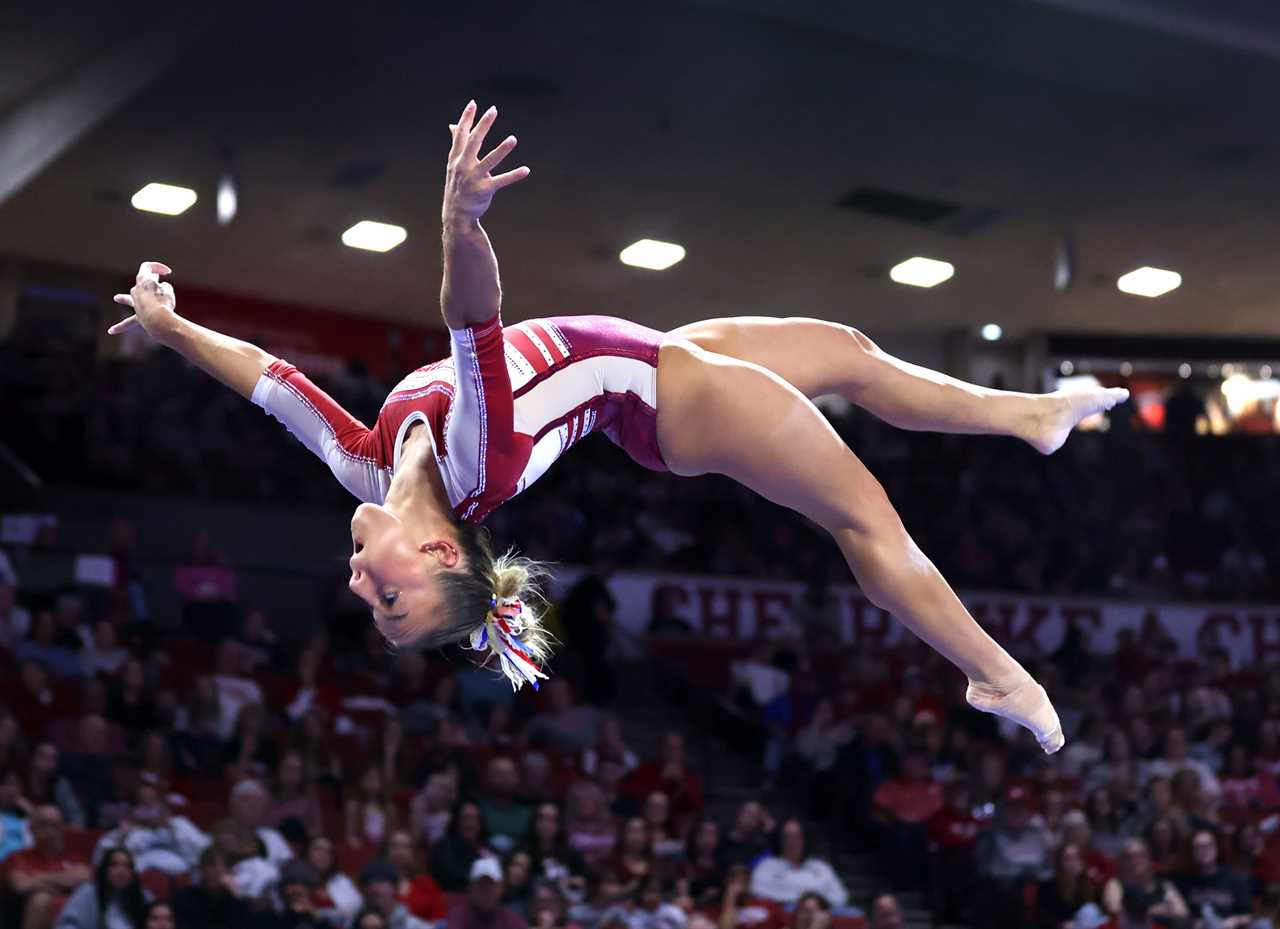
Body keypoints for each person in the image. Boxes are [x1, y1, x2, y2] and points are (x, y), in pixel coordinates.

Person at [107, 102, 1129, 748]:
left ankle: (1030, 415)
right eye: (392, 602)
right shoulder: (475, 454)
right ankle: (995, 673)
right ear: (435, 551)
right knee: (868, 523)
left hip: (651, 358)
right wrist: (458, 225)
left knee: (853, 353)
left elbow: (269, 379)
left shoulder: (364, 466)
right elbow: (473, 320)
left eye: (372, 605)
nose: (360, 588)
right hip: (668, 395)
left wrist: (170, 323)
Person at [5, 805, 92, 929]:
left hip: (73, 915)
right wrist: (65, 881)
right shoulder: (18, 857)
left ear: (63, 828)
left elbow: (85, 878)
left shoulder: (75, 857)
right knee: (41, 899)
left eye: (55, 825)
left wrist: (38, 878)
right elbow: (22, 885)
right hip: (26, 914)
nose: (50, 830)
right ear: (32, 829)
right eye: (43, 825)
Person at [747, 820, 847, 908]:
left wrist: (814, 903)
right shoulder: (767, 866)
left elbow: (841, 896)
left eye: (797, 836)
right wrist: (799, 900)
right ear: (780, 840)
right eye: (787, 836)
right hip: (781, 912)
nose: (792, 841)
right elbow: (757, 890)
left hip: (819, 914)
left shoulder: (821, 867)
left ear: (805, 839)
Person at [1101, 838, 1189, 929]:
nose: (1135, 861)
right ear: (1123, 861)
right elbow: (1115, 909)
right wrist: (1164, 909)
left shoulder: (1164, 884)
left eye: (1140, 855)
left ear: (1148, 859)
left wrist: (1138, 910)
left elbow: (1182, 912)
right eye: (1130, 857)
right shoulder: (1116, 883)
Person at [53, 848, 148, 929]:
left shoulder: (144, 896)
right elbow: (66, 925)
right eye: (114, 865)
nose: (121, 871)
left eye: (127, 866)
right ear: (104, 869)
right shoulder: (87, 893)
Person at [171, 847, 254, 929]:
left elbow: (246, 925)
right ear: (202, 868)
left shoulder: (235, 901)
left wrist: (237, 895)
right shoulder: (184, 898)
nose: (218, 871)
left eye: (223, 866)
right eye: (212, 866)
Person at [447, 857, 528, 929]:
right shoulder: (458, 917)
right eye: (481, 885)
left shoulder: (511, 921)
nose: (486, 890)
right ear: (471, 888)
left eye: (491, 885)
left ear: (501, 888)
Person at [360, 860, 436, 929]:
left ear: (395, 887)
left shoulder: (415, 926)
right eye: (368, 883)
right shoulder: (355, 923)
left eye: (380, 881)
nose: (374, 888)